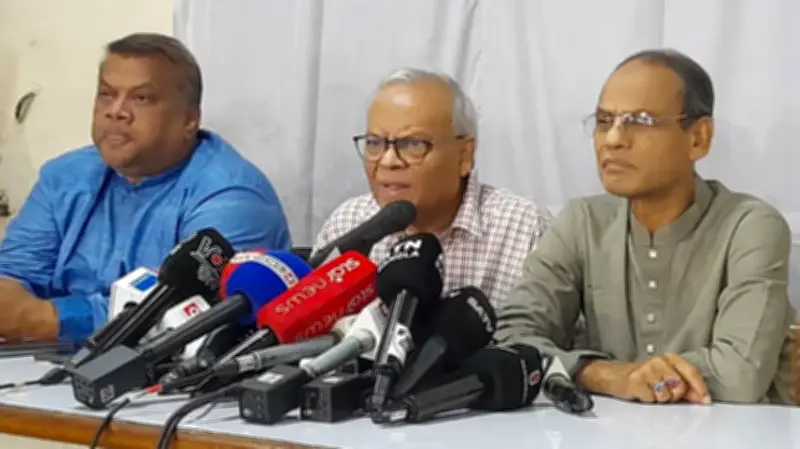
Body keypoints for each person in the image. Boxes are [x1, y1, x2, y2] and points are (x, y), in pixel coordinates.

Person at [494, 49, 795, 405]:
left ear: (698, 138)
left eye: (639, 121)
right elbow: (512, 337)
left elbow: (740, 374)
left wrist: (629, 377)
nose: (613, 139)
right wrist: (607, 374)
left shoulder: (748, 227)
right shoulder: (583, 222)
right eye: (604, 121)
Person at [0, 33, 291, 344]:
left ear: (189, 120)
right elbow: (14, 276)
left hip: (177, 370)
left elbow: (190, 319)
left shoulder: (232, 197)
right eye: (106, 94)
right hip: (45, 363)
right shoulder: (65, 176)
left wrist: (50, 320)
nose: (116, 111)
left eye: (141, 98)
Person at [314, 68, 552, 305]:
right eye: (374, 143)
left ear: (464, 156)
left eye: (413, 144)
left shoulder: (523, 229)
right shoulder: (348, 223)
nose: (388, 161)